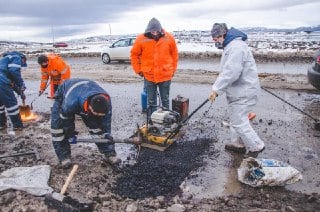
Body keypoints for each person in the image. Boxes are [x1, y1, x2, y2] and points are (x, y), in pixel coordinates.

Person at [208, 23, 265, 156]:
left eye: (216, 39)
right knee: (236, 118)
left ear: (222, 35)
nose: (215, 42)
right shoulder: (232, 46)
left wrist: (216, 89)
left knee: (239, 122)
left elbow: (231, 72)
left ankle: (257, 146)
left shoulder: (236, 48)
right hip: (240, 89)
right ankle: (237, 143)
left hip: (243, 91)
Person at [50, 78, 120, 168]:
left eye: (101, 114)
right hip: (65, 94)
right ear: (90, 108)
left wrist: (107, 134)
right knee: (58, 129)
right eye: (97, 114)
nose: (99, 116)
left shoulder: (106, 102)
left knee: (97, 129)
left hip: (86, 90)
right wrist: (70, 133)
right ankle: (64, 157)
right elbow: (66, 119)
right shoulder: (70, 103)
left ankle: (110, 154)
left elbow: (106, 122)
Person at [131, 17, 178, 116]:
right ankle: (152, 120)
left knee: (165, 100)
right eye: (153, 32)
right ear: (149, 30)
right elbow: (134, 55)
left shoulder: (169, 38)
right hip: (149, 75)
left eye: (157, 31)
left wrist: (173, 69)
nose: (155, 34)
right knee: (151, 101)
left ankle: (165, 120)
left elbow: (174, 54)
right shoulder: (141, 39)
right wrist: (138, 70)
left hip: (165, 75)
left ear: (160, 29)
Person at [0, 51, 27, 130]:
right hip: (2, 81)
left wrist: (20, 93)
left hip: (2, 80)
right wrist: (21, 84)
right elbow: (14, 71)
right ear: (23, 58)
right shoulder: (17, 57)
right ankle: (17, 126)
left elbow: (12, 83)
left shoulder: (5, 59)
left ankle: (1, 124)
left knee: (0, 105)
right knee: (12, 104)